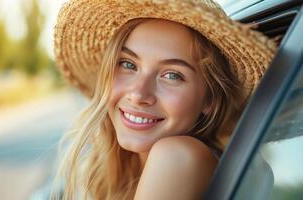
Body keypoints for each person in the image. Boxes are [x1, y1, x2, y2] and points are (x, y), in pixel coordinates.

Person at [52, 0, 277, 199]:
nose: (139, 94)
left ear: (210, 99)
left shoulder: (178, 155)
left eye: (172, 75)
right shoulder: (118, 171)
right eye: (128, 64)